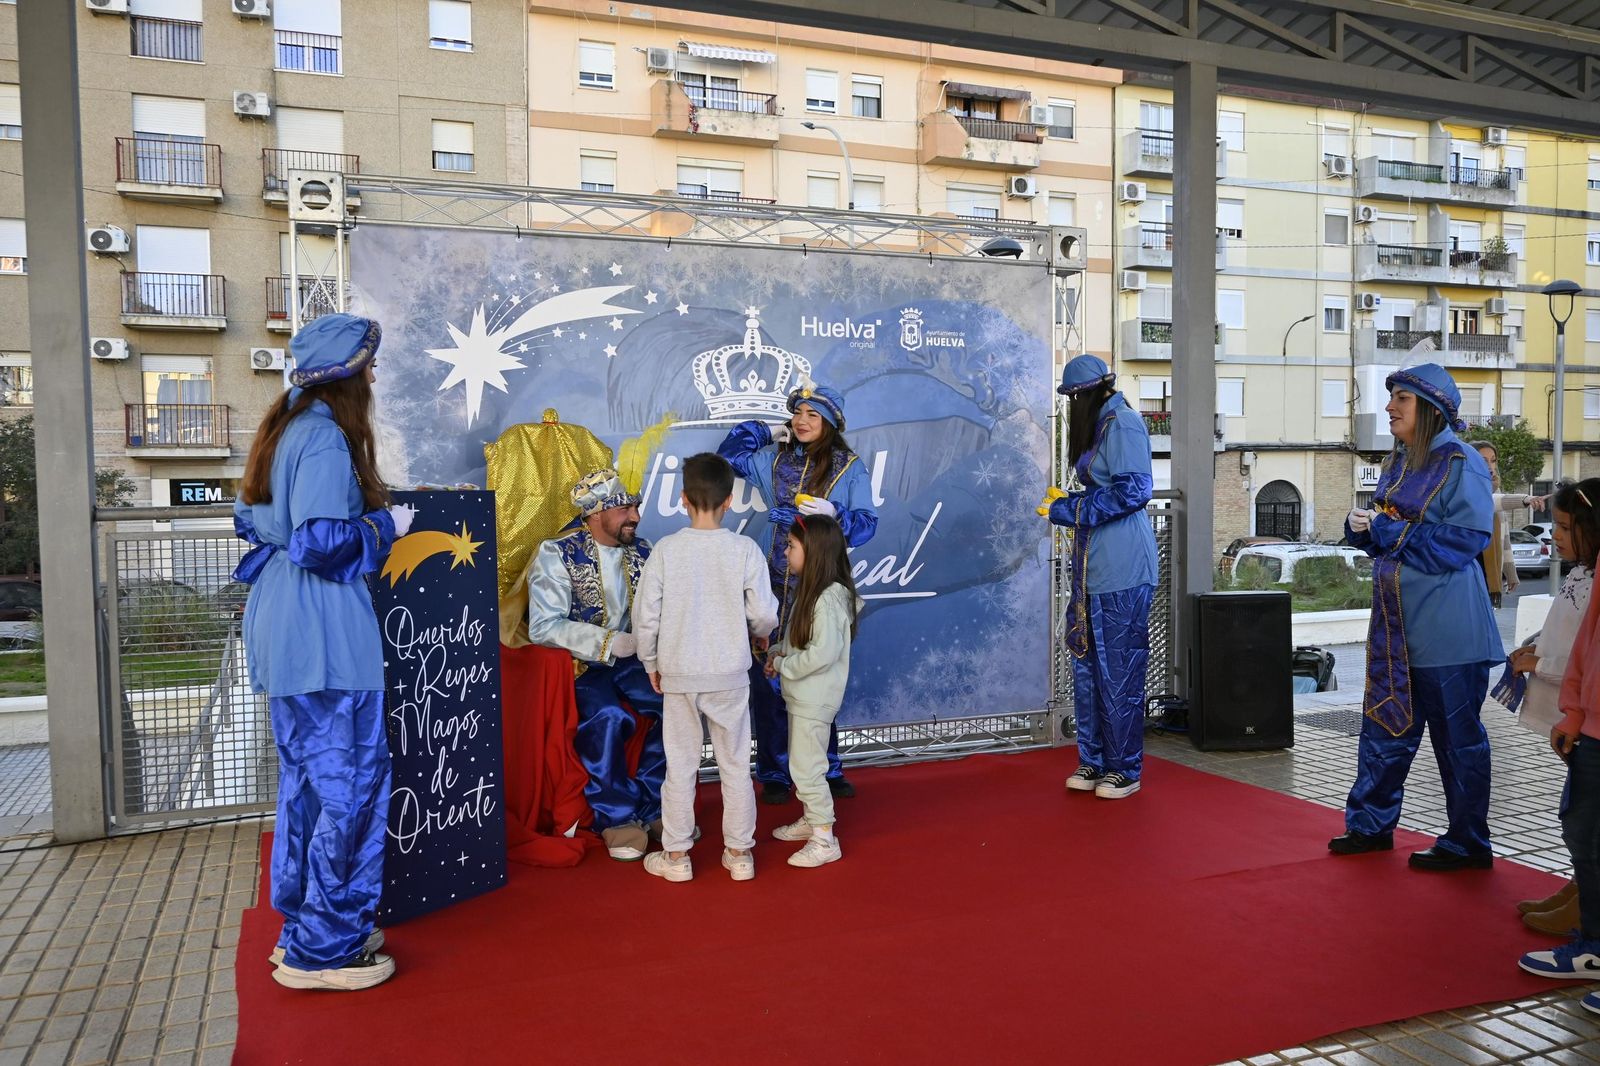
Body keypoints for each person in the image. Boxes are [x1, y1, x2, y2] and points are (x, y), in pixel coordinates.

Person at [233, 313, 412, 991]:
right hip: (326, 640)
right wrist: (382, 525)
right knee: (350, 793)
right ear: (348, 376)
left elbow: (249, 517)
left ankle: (307, 931)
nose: (374, 377)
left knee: (311, 793)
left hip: (291, 630)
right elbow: (317, 543)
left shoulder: (285, 429)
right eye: (368, 366)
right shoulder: (325, 438)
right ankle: (325, 952)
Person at [1330, 363, 1503, 871]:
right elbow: (1385, 528)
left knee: (1458, 744)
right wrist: (1359, 526)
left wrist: (1387, 532)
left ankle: (1467, 843)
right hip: (1395, 629)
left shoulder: (1462, 461)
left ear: (1429, 408)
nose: (1389, 407)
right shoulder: (1401, 460)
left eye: (1400, 398)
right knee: (1384, 727)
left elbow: (1466, 541)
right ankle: (1370, 826)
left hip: (1449, 633)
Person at [719, 381, 877, 805]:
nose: (802, 421)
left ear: (830, 422)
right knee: (768, 675)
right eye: (797, 413)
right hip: (773, 579)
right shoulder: (775, 460)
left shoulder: (848, 467)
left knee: (817, 673)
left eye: (813, 415)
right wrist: (768, 431)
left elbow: (868, 524)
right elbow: (727, 457)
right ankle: (773, 770)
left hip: (822, 582)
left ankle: (828, 767)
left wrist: (834, 514)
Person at [632, 453, 780, 883]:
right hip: (729, 673)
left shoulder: (665, 551)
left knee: (680, 766)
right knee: (735, 764)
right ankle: (739, 854)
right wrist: (760, 633)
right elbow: (764, 613)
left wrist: (651, 661)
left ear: (682, 498)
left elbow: (647, 618)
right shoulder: (744, 549)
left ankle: (676, 857)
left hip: (678, 673)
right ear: (730, 501)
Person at [526, 468, 665, 861]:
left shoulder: (645, 550)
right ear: (595, 514)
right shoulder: (557, 553)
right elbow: (543, 625)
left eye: (635, 506)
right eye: (624, 507)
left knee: (675, 703)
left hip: (636, 660)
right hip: (584, 664)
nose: (635, 515)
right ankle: (616, 815)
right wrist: (606, 642)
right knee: (605, 715)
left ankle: (657, 805)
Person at [1041, 355, 1157, 800]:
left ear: (1084, 396)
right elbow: (1107, 489)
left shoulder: (1123, 424)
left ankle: (1124, 768)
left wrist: (1069, 509)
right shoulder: (1106, 424)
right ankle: (1093, 761)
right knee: (1087, 667)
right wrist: (1072, 501)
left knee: (1120, 670)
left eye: (1073, 400)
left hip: (1123, 566)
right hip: (1093, 568)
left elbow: (1134, 490)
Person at [1517, 490, 1600, 1018]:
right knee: (1581, 826)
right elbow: (1584, 651)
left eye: (1568, 527)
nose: (1559, 537)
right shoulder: (1584, 576)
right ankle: (1588, 929)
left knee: (1588, 830)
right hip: (1589, 723)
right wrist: (1573, 710)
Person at [764, 514, 862, 868]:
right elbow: (801, 641)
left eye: (791, 546)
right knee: (805, 763)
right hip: (803, 697)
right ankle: (812, 819)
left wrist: (784, 666)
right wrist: (778, 653)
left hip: (814, 699)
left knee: (807, 769)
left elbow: (823, 653)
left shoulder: (829, 598)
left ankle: (824, 838)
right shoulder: (816, 593)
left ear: (814, 551)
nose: (785, 552)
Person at [1472, 440, 1531, 607]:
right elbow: (1489, 501)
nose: (1490, 466)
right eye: (1483, 461)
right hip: (1469, 566)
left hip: (1490, 571)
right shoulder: (1463, 487)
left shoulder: (1495, 488)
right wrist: (1525, 499)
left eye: (1493, 460)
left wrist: (1510, 572)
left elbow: (1503, 537)